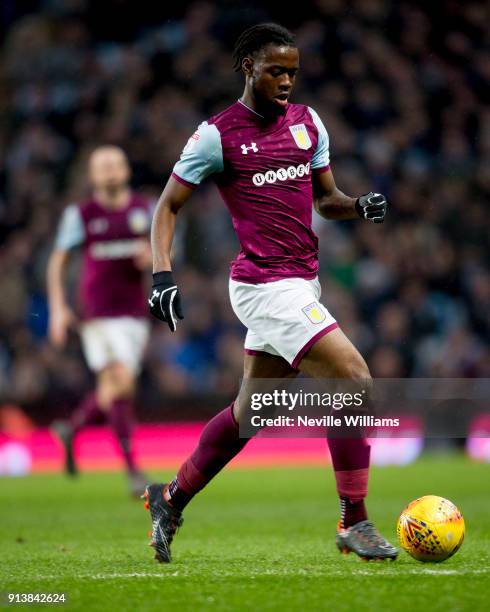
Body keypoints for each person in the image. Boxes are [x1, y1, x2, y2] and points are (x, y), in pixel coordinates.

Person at [144, 23, 397, 561]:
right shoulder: (216, 135)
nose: (286, 81)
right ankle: (355, 520)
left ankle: (169, 497)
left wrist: (357, 207)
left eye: (293, 72)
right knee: (354, 379)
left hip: (302, 280)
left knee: (250, 414)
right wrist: (162, 273)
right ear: (248, 68)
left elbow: (326, 200)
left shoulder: (309, 124)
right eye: (275, 70)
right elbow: (167, 206)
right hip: (263, 285)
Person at [47, 145, 152, 497]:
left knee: (117, 390)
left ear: (125, 170)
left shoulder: (143, 210)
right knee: (119, 382)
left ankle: (72, 427)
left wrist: (151, 259)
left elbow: (163, 254)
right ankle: (133, 471)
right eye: (101, 166)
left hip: (135, 314)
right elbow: (57, 261)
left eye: (114, 164)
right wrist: (59, 308)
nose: (109, 171)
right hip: (97, 314)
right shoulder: (81, 215)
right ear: (91, 175)